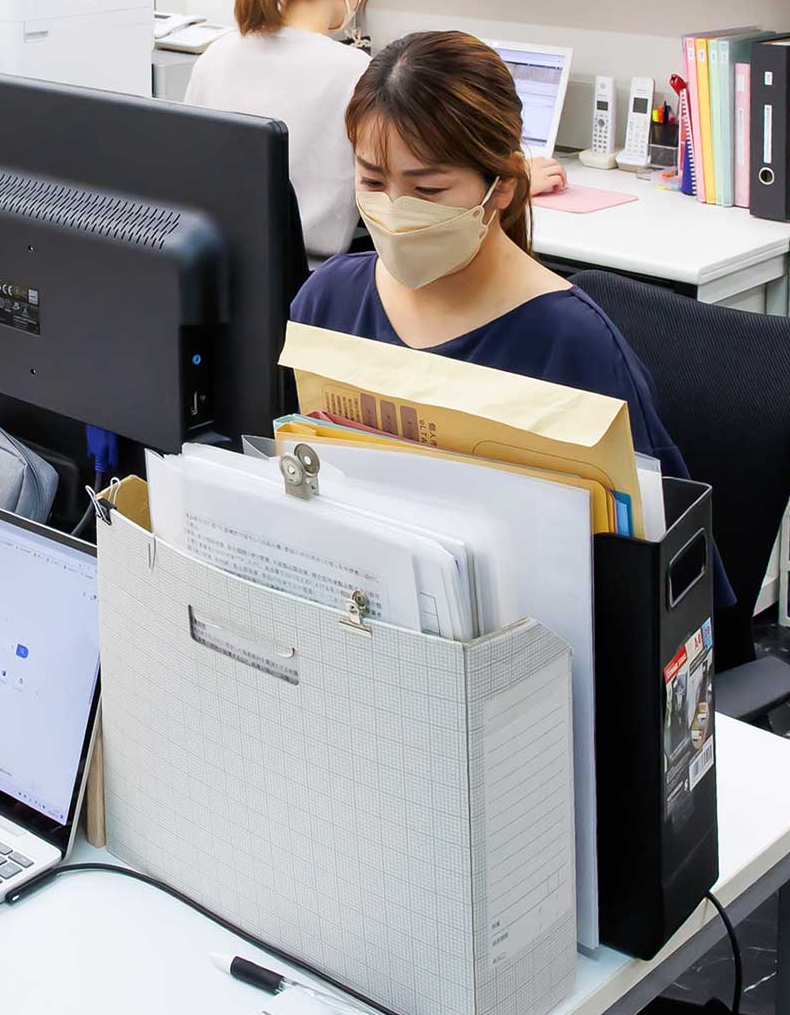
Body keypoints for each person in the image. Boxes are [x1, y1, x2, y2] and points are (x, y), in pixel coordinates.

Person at [291, 29, 732, 606]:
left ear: (500, 187)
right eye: (372, 181)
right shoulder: (326, 302)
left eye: (427, 189)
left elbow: (665, 585)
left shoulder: (573, 345)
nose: (395, 212)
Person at [186, 0, 566, 261]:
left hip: (216, 273)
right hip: (317, 277)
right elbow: (408, 194)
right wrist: (511, 182)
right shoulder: (354, 72)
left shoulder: (216, 54)